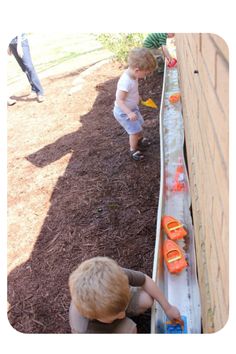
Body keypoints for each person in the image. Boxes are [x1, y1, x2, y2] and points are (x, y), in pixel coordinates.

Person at [68, 256, 181, 333]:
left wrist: (168, 308)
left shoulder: (112, 275)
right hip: (102, 329)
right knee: (130, 329)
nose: (122, 315)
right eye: (117, 315)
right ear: (94, 316)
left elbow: (145, 280)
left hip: (106, 310)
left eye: (122, 311)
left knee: (147, 299)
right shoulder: (84, 330)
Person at [113, 48, 156, 161]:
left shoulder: (134, 75)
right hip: (124, 112)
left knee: (139, 125)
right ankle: (133, 150)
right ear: (137, 70)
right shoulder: (125, 82)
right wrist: (129, 113)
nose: (147, 75)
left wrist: (137, 97)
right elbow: (119, 100)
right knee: (134, 131)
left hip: (132, 108)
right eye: (146, 73)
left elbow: (132, 92)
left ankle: (140, 140)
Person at [8, 33, 44, 103]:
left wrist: (19, 45)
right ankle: (33, 88)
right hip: (11, 43)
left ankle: (40, 92)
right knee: (24, 68)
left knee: (29, 67)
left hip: (21, 41)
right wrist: (8, 45)